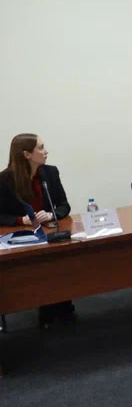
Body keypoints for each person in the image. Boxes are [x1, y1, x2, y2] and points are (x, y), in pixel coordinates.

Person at [0, 134, 76, 327]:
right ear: (26, 154)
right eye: (41, 148)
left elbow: (64, 205)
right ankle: (46, 309)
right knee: (40, 268)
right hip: (21, 236)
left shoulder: (50, 172)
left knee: (62, 259)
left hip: (49, 232)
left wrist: (51, 214)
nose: (46, 151)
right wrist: (21, 220)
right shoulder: (5, 179)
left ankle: (65, 305)